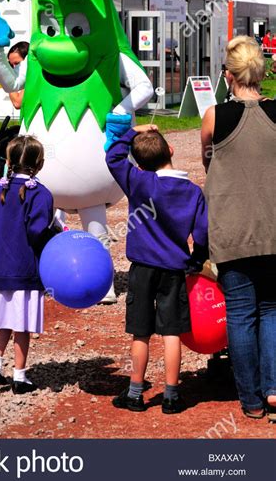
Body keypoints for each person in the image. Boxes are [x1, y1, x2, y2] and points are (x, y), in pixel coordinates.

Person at [105, 123, 208, 414]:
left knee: (141, 333)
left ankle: (135, 393)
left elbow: (112, 157)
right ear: (171, 150)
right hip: (174, 268)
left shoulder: (140, 182)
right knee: (171, 332)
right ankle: (172, 396)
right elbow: (202, 234)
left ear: (139, 164)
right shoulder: (192, 191)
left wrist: (131, 131)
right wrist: (196, 260)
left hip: (142, 268)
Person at [201, 36, 276, 422]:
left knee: (241, 313)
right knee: (272, 309)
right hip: (273, 229)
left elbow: (207, 159)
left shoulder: (216, 115)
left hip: (232, 230)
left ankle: (250, 399)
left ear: (228, 75)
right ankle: (274, 386)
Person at [0, 135, 55, 394]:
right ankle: (20, 376)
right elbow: (37, 231)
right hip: (24, 269)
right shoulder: (40, 194)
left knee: (4, 318)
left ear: (8, 161)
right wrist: (56, 233)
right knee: (21, 324)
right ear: (40, 164)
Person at [7, 41, 29, 110]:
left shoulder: (35, 78)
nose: (13, 68)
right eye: (11, 65)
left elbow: (17, 103)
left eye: (16, 63)